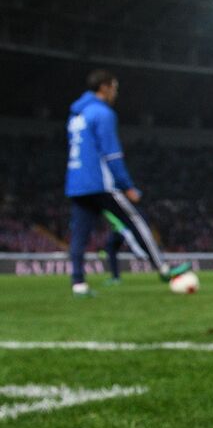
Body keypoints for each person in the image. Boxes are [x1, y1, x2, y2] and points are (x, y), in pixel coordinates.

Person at [65, 69, 189, 296]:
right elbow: (111, 154)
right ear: (104, 87)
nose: (116, 93)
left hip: (76, 182)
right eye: (114, 87)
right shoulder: (102, 113)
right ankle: (162, 267)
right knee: (135, 219)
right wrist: (126, 185)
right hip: (101, 182)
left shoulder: (76, 115)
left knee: (80, 235)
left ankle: (78, 284)